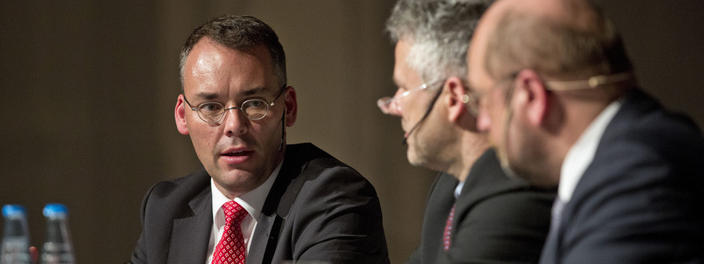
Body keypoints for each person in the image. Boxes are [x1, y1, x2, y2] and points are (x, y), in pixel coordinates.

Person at [130, 15, 389, 264]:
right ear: (182, 115)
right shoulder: (166, 208)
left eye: (254, 104)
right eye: (210, 107)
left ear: (288, 107)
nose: (234, 126)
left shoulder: (335, 198)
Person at [467, 0, 704, 262]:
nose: (482, 123)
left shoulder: (635, 177)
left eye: (483, 101)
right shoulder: (626, 158)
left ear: (531, 95)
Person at [379, 0, 554, 263]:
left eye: (404, 88)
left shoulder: (515, 194)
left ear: (453, 97)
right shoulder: (448, 187)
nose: (393, 106)